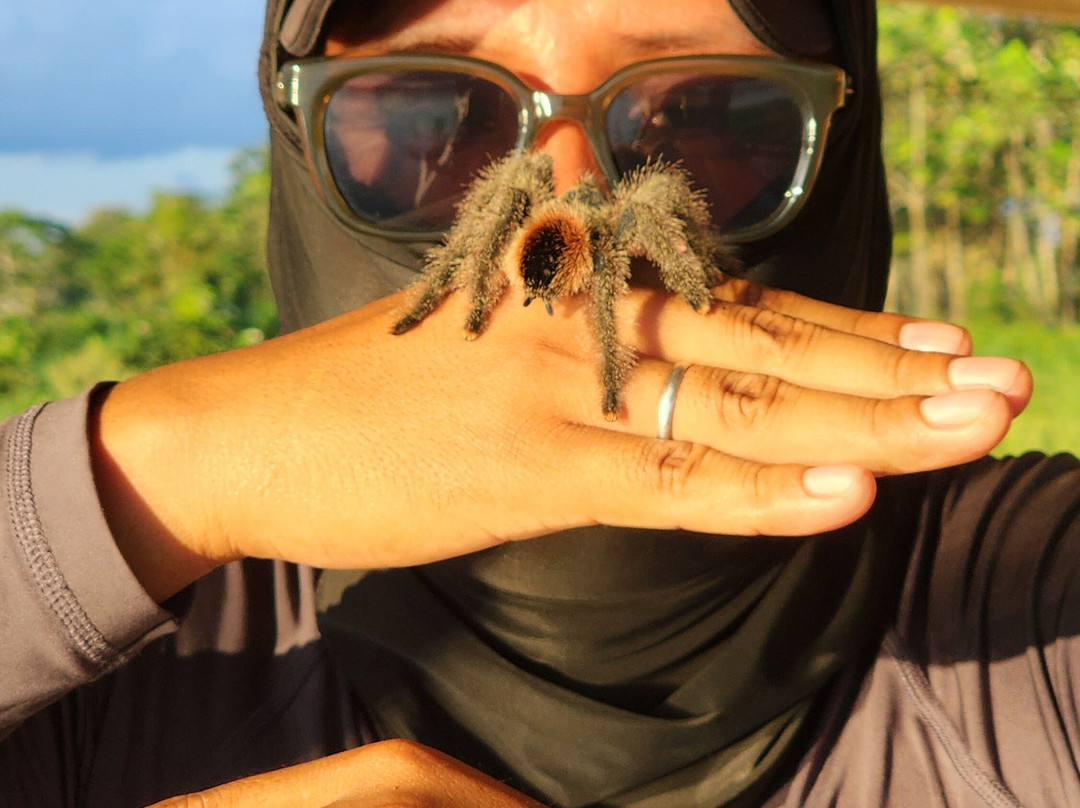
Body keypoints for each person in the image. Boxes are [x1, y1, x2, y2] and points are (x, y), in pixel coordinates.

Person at [0, 0, 1072, 806]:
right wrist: (164, 466)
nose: (568, 189)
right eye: (436, 114)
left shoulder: (1037, 608)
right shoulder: (117, 679)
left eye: (700, 111)